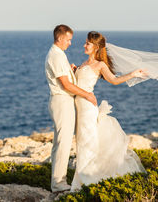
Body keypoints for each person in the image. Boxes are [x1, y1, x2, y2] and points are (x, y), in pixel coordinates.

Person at [71, 31, 148, 191]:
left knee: (87, 142)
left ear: (96, 47)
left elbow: (114, 80)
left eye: (88, 43)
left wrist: (132, 74)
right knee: (82, 142)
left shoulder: (100, 65)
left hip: (87, 107)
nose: (84, 45)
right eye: (85, 42)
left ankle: (87, 181)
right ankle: (82, 180)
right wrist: (75, 70)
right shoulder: (85, 63)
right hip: (80, 106)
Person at [45, 24, 97, 193]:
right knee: (63, 143)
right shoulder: (56, 56)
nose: (70, 43)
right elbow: (66, 85)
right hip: (62, 102)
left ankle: (57, 181)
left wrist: (73, 72)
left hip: (63, 102)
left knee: (60, 143)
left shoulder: (59, 54)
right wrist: (87, 94)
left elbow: (67, 80)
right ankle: (59, 184)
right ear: (60, 38)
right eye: (68, 40)